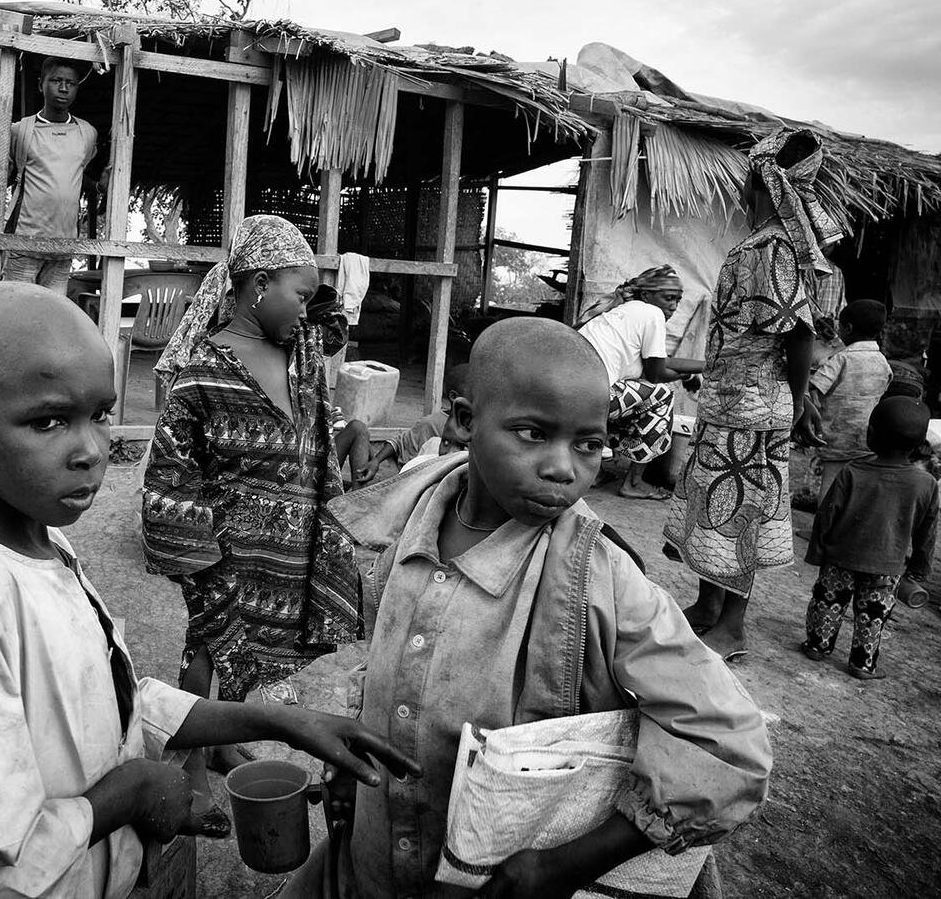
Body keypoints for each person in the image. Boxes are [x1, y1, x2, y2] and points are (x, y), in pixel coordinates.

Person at [0, 282, 415, 899]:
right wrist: (131, 794)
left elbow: (106, 700)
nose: (92, 451)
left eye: (99, 416)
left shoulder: (42, 548)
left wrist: (278, 721)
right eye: (48, 421)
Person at [282, 317, 771, 899]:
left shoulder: (600, 576)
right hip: (374, 859)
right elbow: (391, 665)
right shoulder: (405, 520)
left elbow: (729, 743)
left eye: (589, 444)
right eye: (533, 433)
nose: (564, 467)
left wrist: (568, 864)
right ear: (465, 422)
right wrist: (355, 766)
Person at [143, 215, 371, 815]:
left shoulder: (301, 357)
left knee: (272, 647)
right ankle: (191, 758)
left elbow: (319, 428)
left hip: (292, 549)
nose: (306, 308)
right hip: (226, 552)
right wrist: (196, 558)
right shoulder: (202, 374)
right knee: (210, 650)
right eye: (299, 293)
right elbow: (170, 475)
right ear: (258, 285)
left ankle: (221, 747)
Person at [664, 128, 841, 662]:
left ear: (763, 184)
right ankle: (709, 606)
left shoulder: (775, 245)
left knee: (740, 510)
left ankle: (733, 626)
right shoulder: (763, 243)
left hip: (756, 410)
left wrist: (799, 399)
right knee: (714, 508)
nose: (740, 194)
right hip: (732, 404)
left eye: (745, 183)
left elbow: (798, 332)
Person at [802, 396, 936, 680]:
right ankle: (863, 665)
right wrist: (919, 569)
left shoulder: (853, 471)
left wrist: (816, 552)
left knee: (826, 605)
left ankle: (817, 646)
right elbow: (927, 532)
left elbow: (827, 514)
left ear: (871, 434)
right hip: (886, 567)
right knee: (873, 616)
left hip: (840, 558)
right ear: (919, 444)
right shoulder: (925, 484)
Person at [577, 264, 705, 500]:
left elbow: (659, 363)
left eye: (678, 300)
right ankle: (634, 482)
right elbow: (656, 375)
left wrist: (699, 367)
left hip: (573, 392)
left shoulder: (624, 311)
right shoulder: (651, 314)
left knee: (634, 393)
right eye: (668, 298)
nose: (674, 306)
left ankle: (595, 472)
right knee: (662, 394)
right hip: (594, 396)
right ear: (647, 294)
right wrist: (688, 374)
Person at [1, 58, 103, 294]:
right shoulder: (21, 131)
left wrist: (98, 187)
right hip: (24, 242)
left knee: (52, 318)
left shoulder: (87, 133)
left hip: (64, 246)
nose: (64, 88)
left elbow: (75, 175)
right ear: (41, 84)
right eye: (56, 81)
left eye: (71, 83)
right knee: (16, 311)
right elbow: (3, 177)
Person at [808, 299, 891, 500]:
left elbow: (814, 386)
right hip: (867, 441)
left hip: (836, 440)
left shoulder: (842, 359)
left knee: (830, 489)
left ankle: (823, 531)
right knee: (857, 491)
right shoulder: (883, 362)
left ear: (848, 328)